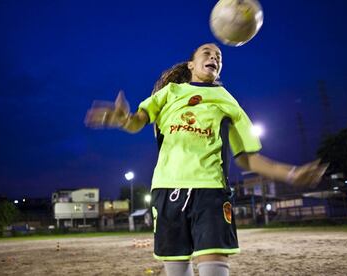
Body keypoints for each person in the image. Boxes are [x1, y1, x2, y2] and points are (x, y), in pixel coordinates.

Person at [84, 43, 328, 276]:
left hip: (210, 192)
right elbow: (138, 120)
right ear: (191, 64)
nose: (214, 58)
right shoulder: (170, 93)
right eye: (207, 53)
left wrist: (291, 174)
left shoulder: (227, 100)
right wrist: (122, 119)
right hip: (167, 190)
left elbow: (246, 158)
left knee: (213, 264)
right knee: (177, 268)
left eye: (219, 57)